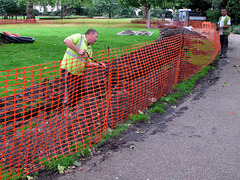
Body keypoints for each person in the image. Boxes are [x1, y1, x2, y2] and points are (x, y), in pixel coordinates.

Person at [60, 28, 105, 106]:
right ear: (91, 35)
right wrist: (78, 50)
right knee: (69, 93)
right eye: (96, 37)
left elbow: (87, 63)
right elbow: (66, 41)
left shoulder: (89, 49)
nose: (96, 39)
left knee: (77, 93)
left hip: (78, 74)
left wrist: (98, 65)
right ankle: (65, 111)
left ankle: (73, 109)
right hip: (68, 71)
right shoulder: (79, 37)